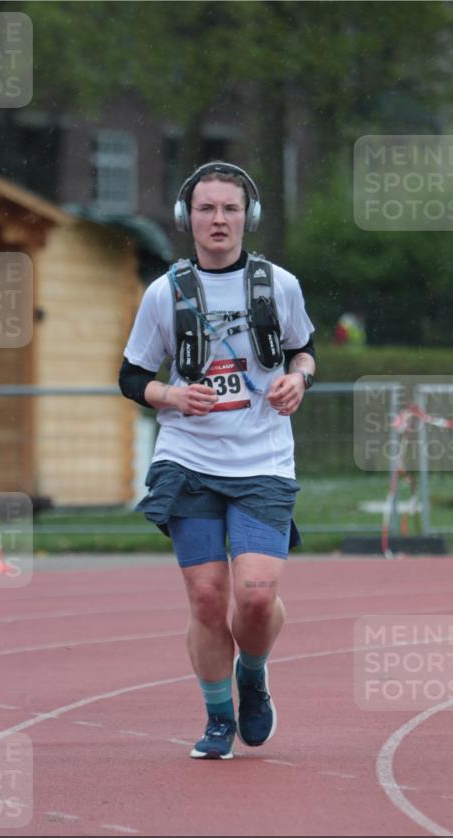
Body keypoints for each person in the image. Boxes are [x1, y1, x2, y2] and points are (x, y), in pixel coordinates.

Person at [118, 161, 316, 760]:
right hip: (188, 460)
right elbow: (131, 376)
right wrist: (170, 395)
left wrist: (297, 380)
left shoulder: (277, 285)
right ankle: (216, 715)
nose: (219, 219)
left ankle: (252, 676)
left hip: (262, 461)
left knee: (254, 596)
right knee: (207, 598)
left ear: (247, 217)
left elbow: (303, 352)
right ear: (187, 219)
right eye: (207, 208)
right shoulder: (165, 293)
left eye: (230, 208)